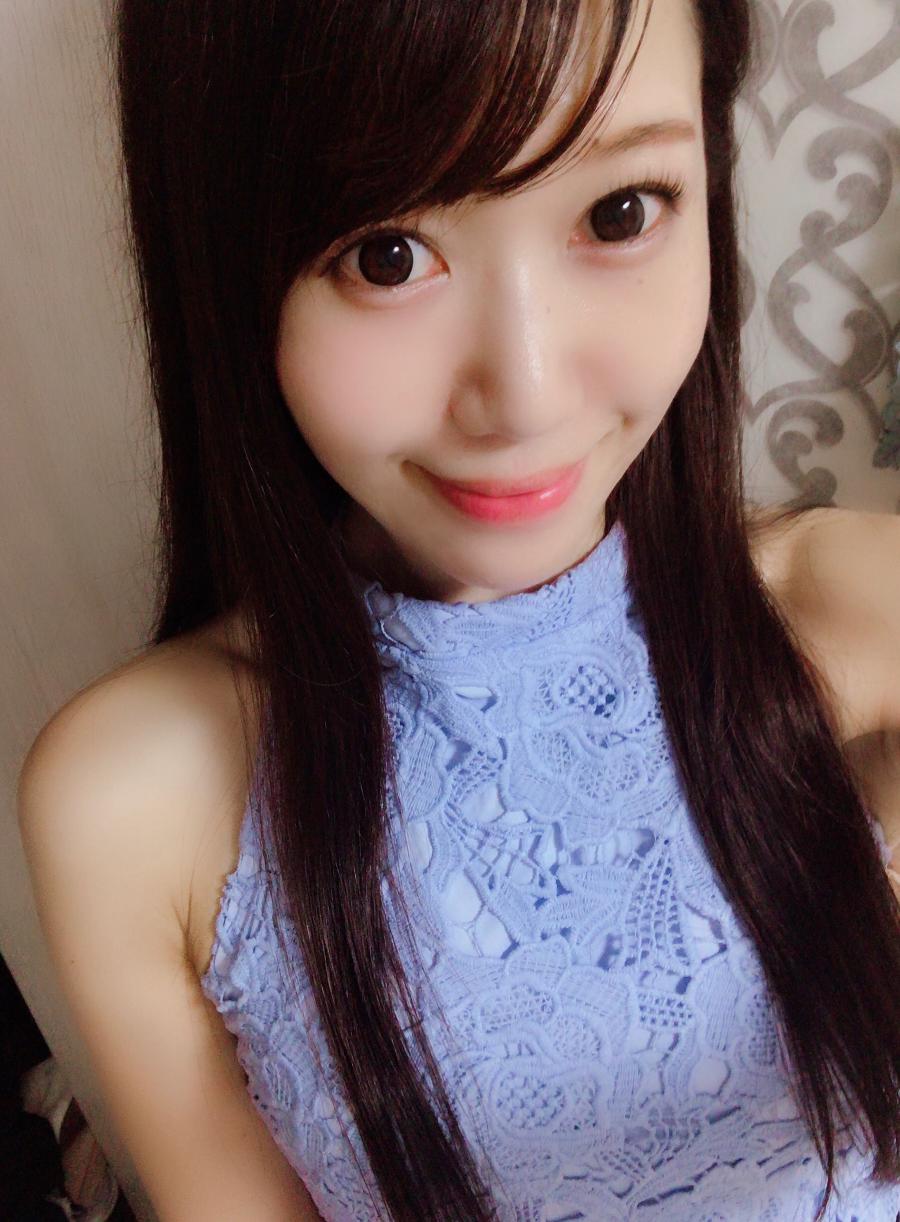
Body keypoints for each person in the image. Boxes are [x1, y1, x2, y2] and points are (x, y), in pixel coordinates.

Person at [15, 0, 900, 1218]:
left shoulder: (860, 613)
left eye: (620, 212)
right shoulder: (138, 798)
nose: (524, 395)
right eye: (386, 255)